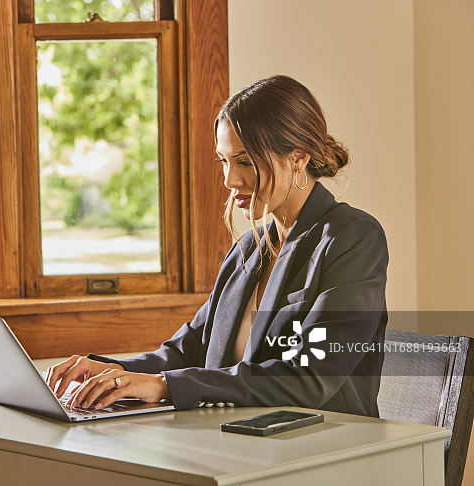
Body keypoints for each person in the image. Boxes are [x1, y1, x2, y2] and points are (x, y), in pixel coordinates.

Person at [45, 75, 389, 418]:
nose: (229, 180)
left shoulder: (353, 237)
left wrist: (166, 385)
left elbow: (310, 378)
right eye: (223, 161)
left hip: (327, 449)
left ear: (298, 158)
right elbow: (187, 352)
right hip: (242, 442)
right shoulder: (248, 250)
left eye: (244, 162)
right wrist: (110, 372)